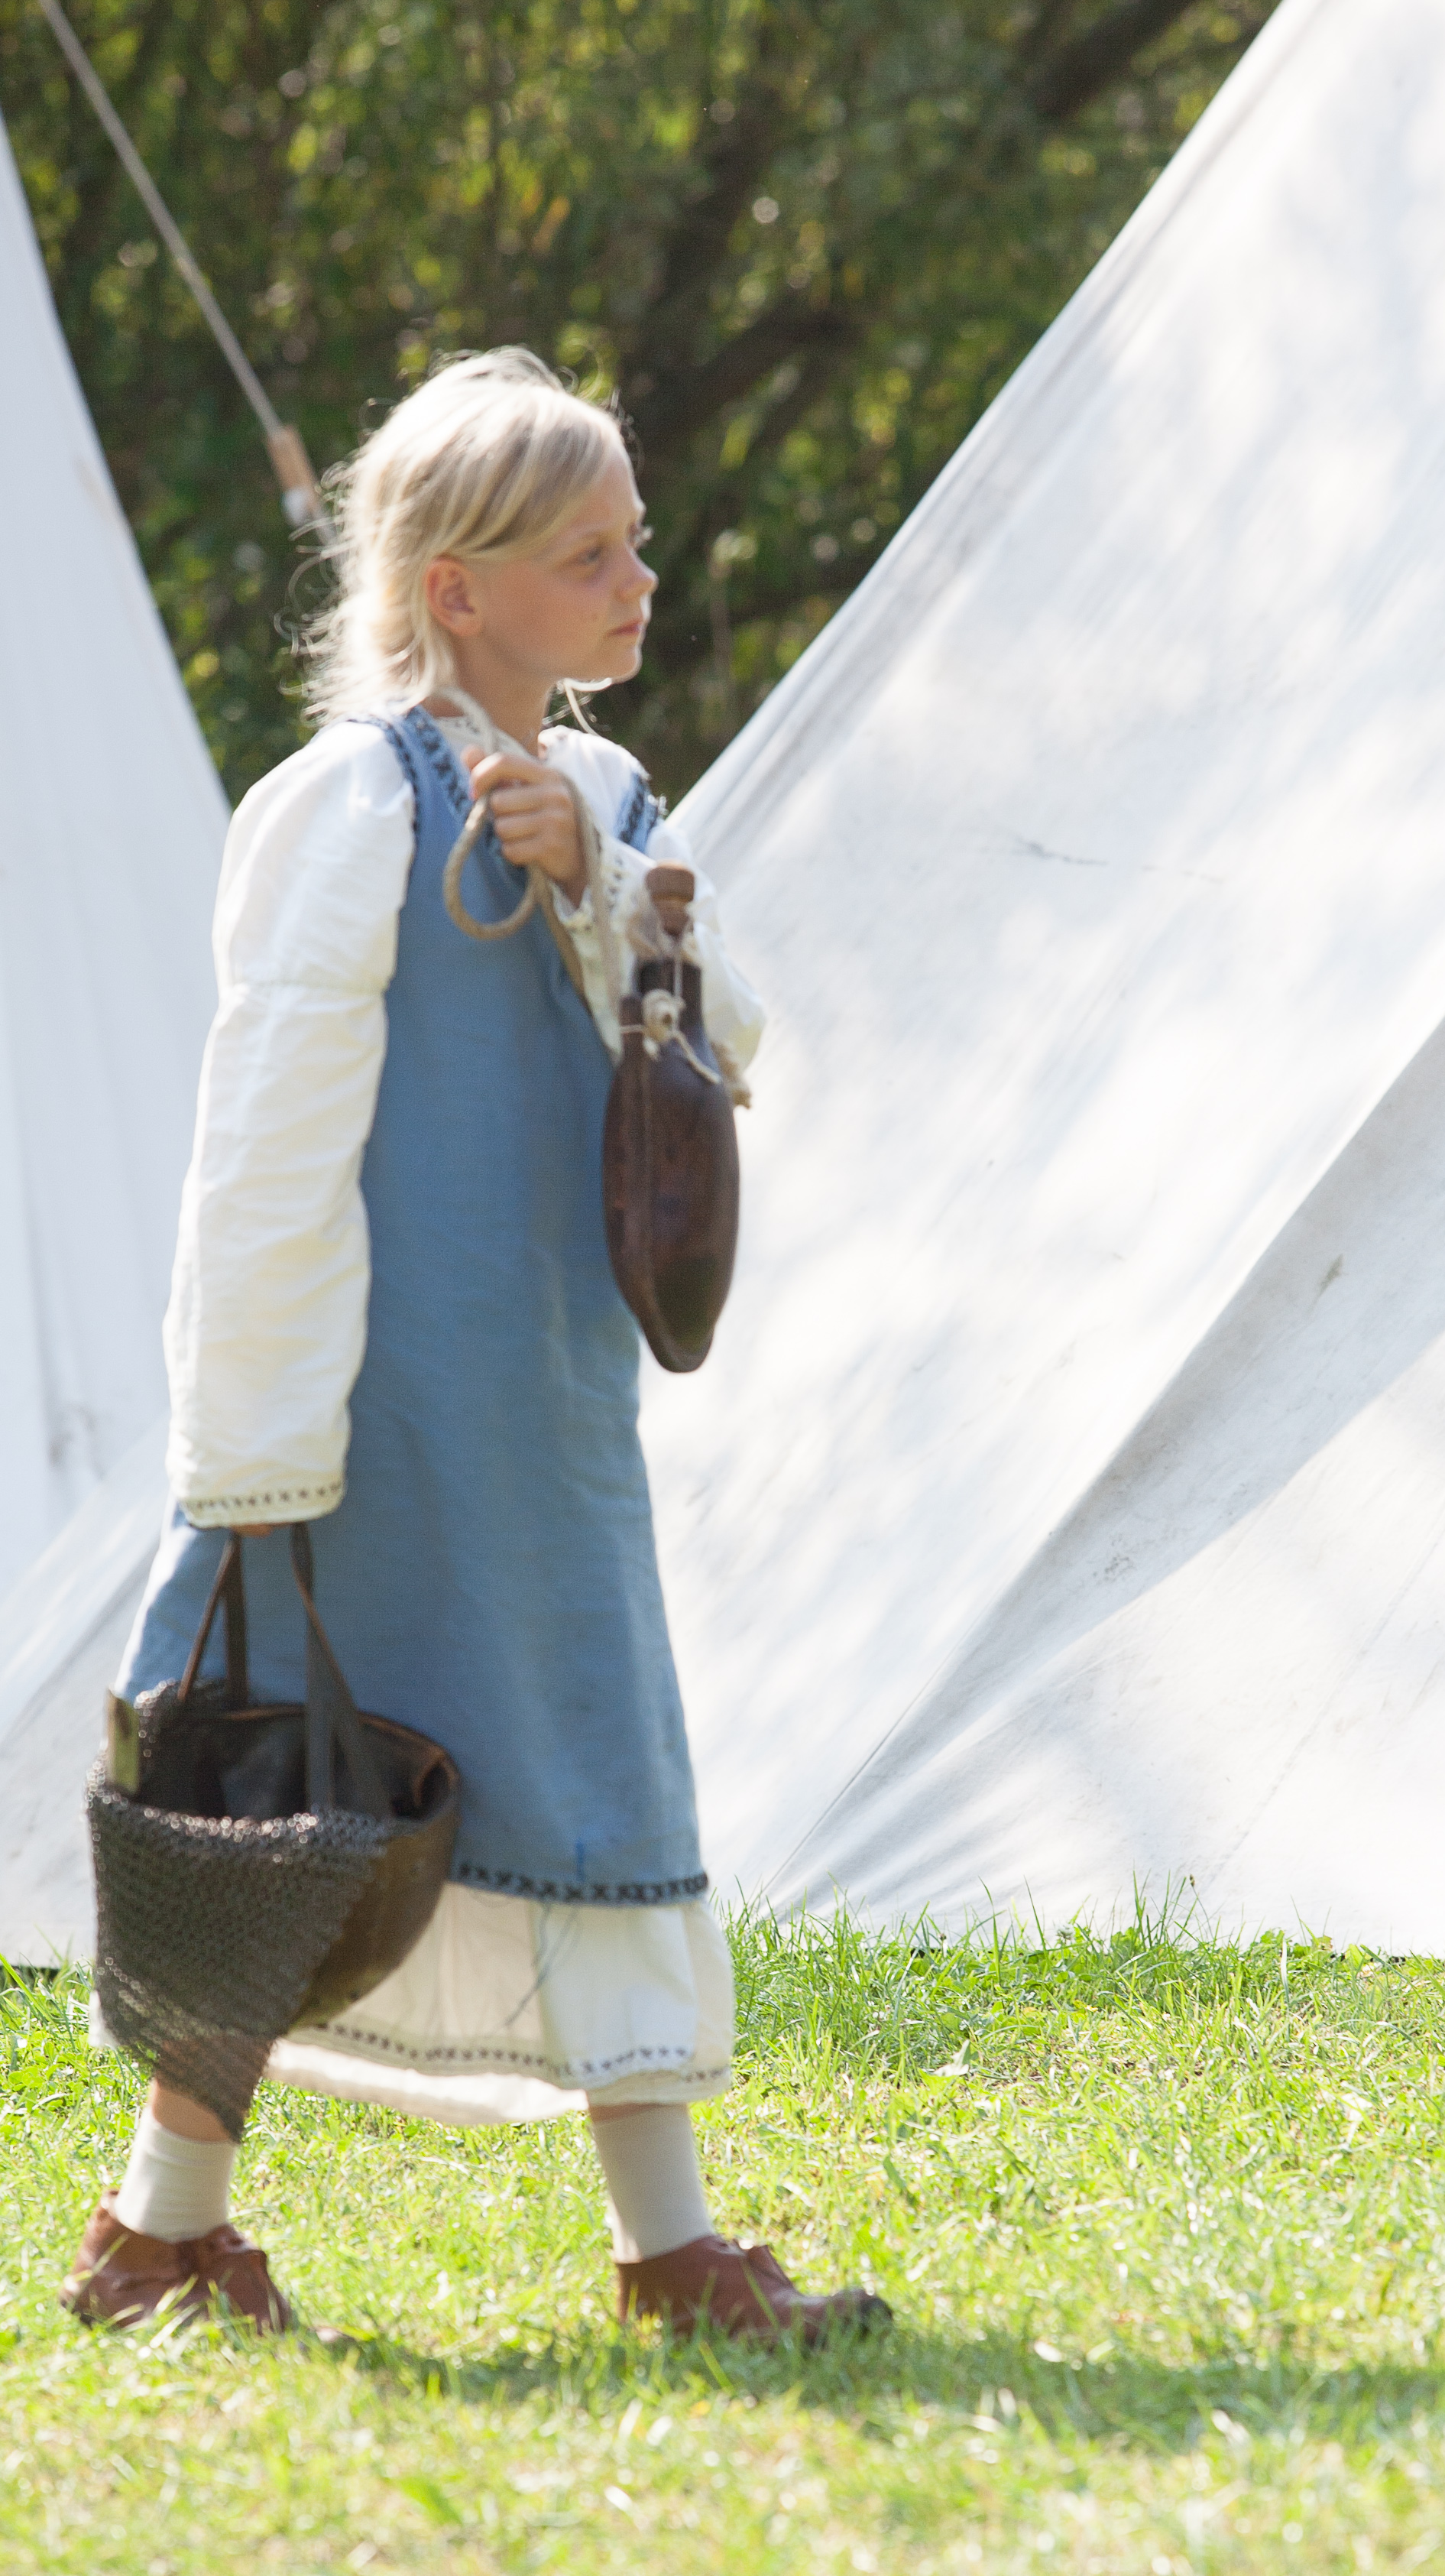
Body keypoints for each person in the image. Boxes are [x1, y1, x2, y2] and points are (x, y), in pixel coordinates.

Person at [61, 348, 889, 2347]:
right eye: (589, 554)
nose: (639, 580)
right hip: (359, 1427)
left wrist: (594, 885)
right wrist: (254, 1448)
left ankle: (668, 2249)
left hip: (548, 1408)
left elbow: (731, 1039)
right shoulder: (344, 806)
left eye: (635, 543)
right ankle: (155, 2233)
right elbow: (260, 1152)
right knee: (275, 1814)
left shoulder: (606, 797)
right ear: (457, 589)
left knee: (598, 1762)